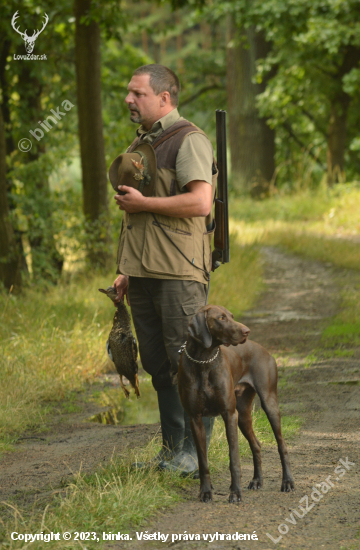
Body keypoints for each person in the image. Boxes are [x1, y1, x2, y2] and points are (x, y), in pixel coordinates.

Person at [112, 64, 216, 476]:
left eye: (137, 93)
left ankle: (196, 453)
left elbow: (200, 203)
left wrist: (144, 203)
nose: (129, 100)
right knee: (158, 364)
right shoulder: (143, 142)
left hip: (178, 271)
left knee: (190, 363)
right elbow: (136, 219)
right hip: (144, 271)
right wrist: (126, 270)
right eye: (128, 92)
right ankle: (174, 450)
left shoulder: (188, 140)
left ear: (164, 98)